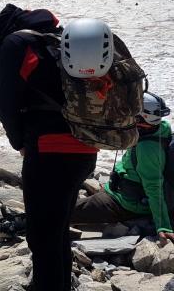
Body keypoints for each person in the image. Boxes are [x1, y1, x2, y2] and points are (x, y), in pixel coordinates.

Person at [0, 4, 98, 291]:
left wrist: (19, 143)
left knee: (41, 235)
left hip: (49, 150)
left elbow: (7, 103)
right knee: (57, 228)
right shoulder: (56, 38)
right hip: (85, 148)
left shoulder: (16, 43)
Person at [71, 91, 174, 242]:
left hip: (126, 202)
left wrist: (163, 226)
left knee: (66, 212)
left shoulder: (147, 149)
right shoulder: (160, 128)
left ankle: (27, 221)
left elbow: (154, 186)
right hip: (125, 192)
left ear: (141, 118)